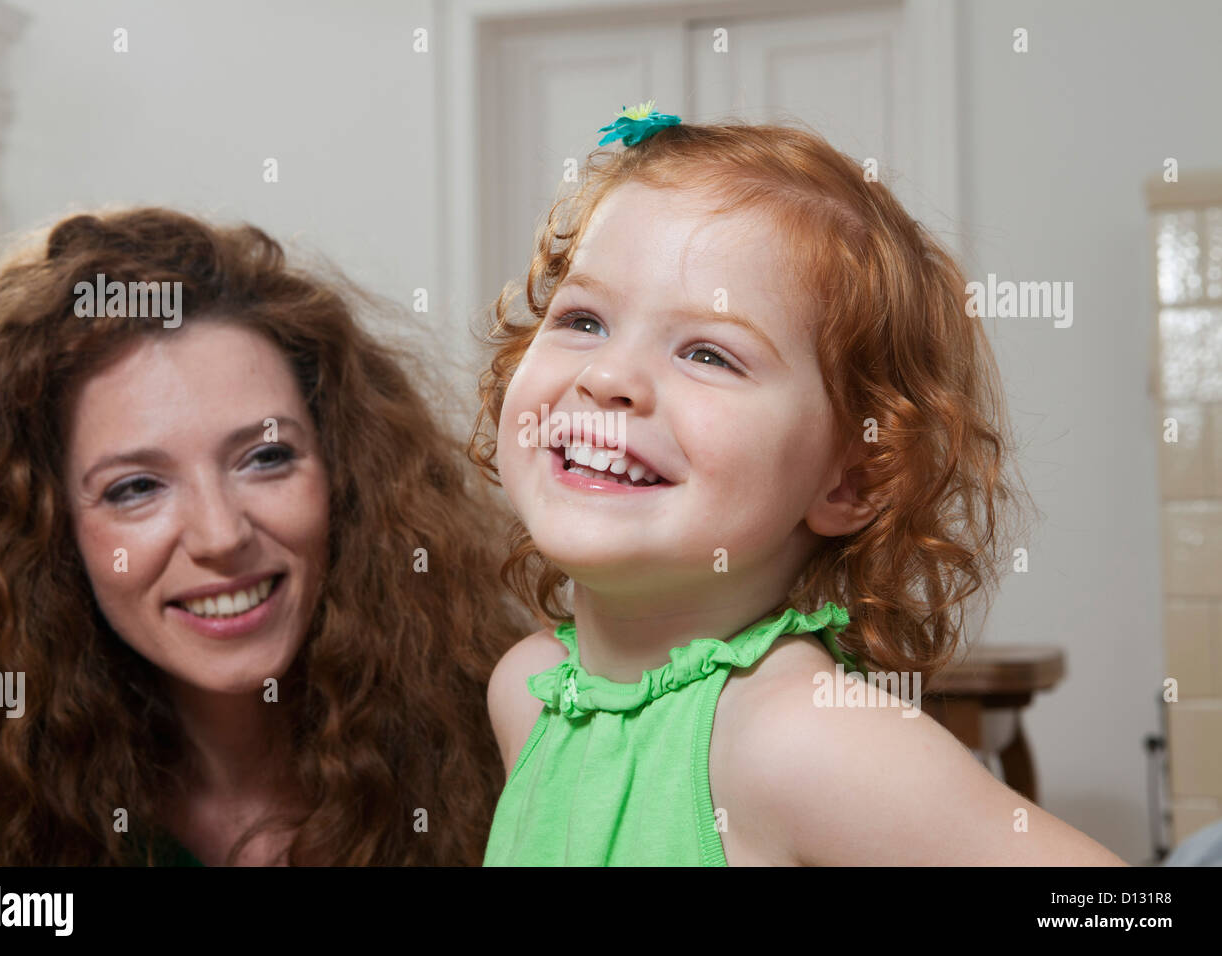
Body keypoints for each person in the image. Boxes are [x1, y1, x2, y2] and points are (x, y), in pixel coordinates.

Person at [472, 104, 1128, 865]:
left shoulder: (799, 739)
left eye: (710, 355)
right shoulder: (528, 692)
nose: (608, 376)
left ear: (850, 480)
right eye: (583, 320)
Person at [0, 207, 526, 865]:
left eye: (265, 458)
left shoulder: (516, 747)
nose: (220, 535)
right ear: (49, 532)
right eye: (135, 488)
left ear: (344, 474)